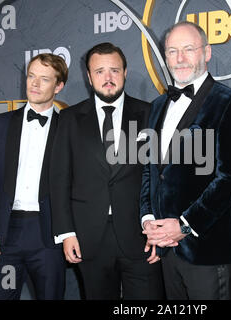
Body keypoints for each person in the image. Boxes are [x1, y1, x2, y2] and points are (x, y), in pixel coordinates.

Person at [140, 21, 231, 300]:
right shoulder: (156, 106)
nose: (180, 58)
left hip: (207, 249)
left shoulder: (229, 102)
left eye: (189, 49)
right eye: (173, 51)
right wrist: (149, 220)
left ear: (207, 52)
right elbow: (150, 172)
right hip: (166, 250)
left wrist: (185, 224)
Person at [50, 42, 164, 300]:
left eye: (114, 70)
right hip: (89, 237)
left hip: (141, 235)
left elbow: (160, 177)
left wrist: (158, 230)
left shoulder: (149, 113)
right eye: (99, 71)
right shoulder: (69, 118)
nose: (108, 78)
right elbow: (59, 179)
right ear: (89, 77)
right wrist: (66, 233)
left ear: (125, 72)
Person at [0, 53, 68, 299]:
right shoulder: (0, 125)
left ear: (58, 86)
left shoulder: (69, 130)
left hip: (49, 235)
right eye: (31, 76)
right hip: (6, 235)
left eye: (44, 79)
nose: (34, 84)